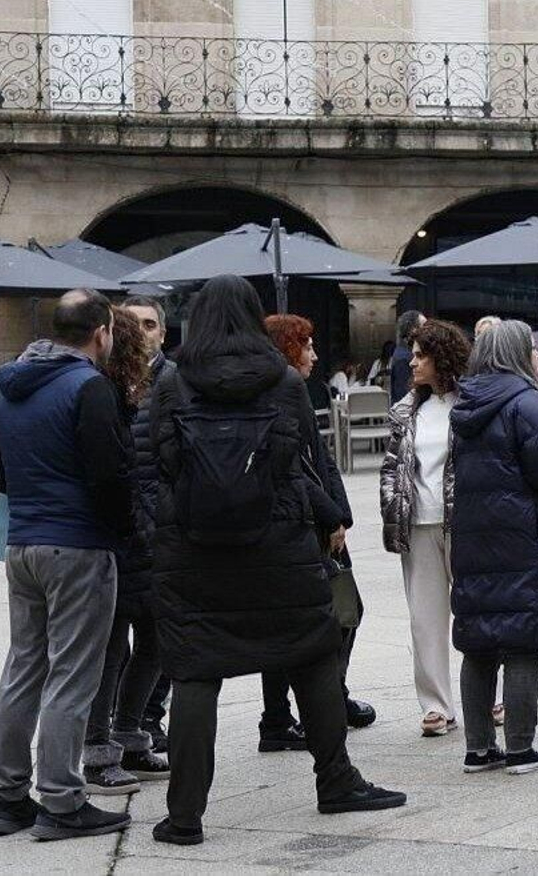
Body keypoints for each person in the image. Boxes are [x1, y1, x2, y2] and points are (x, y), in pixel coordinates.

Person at [149, 276, 405, 847]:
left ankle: (185, 815)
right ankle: (335, 781)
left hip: (195, 552)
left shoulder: (171, 381)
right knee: (311, 656)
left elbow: (159, 461)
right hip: (279, 549)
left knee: (195, 673)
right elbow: (295, 462)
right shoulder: (286, 382)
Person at [0, 288, 134, 841]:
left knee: (24, 666)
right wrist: (122, 533)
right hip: (77, 544)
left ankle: (8, 797)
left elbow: (0, 470)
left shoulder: (10, 384)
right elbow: (108, 476)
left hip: (21, 543)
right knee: (73, 673)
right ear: (102, 332)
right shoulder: (88, 386)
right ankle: (63, 802)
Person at [449, 320, 538, 774]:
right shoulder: (529, 403)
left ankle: (478, 748)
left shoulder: (465, 405)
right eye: (533, 349)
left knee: (478, 642)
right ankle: (521, 747)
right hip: (524, 537)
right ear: (519, 353)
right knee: (522, 638)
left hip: (473, 537)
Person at [261, 314, 377, 751]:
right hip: (304, 521)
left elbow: (320, 460)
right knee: (338, 614)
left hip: (312, 516)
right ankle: (317, 706)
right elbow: (299, 466)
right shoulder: (285, 387)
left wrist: (341, 513)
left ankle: (288, 715)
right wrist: (331, 517)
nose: (314, 353)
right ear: (288, 348)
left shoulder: (290, 387)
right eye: (306, 345)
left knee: (303, 620)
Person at [82, 307, 170, 797]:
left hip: (149, 533)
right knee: (113, 645)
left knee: (156, 638)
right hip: (122, 535)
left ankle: (129, 734)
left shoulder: (158, 387)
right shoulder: (98, 393)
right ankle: (97, 750)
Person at [380, 319, 472, 737]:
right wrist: (391, 506)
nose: (412, 362)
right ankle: (436, 705)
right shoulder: (405, 408)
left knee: (475, 609)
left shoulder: (470, 402)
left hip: (463, 521)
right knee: (425, 618)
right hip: (417, 521)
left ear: (442, 357)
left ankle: (488, 695)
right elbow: (391, 466)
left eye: (420, 355)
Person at [124, 297, 175, 756]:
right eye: (132, 324)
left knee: (159, 629)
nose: (142, 332)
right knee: (119, 637)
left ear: (163, 331)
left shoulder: (174, 380)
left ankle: (149, 716)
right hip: (119, 526)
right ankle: (127, 721)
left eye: (150, 324)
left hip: (162, 522)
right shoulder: (104, 381)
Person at [386, 310, 426, 403]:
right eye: (424, 326)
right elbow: (404, 395)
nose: (428, 329)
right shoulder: (404, 357)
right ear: (413, 329)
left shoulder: (406, 352)